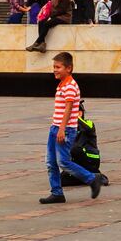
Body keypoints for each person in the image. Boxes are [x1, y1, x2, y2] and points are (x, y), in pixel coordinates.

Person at [40, 52, 107, 204]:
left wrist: (62, 129)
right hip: (55, 128)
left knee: (63, 161)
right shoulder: (62, 84)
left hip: (64, 129)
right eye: (54, 67)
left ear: (69, 68)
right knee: (51, 162)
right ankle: (57, 192)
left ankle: (92, 179)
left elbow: (69, 110)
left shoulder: (70, 86)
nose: (55, 70)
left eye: (58, 67)